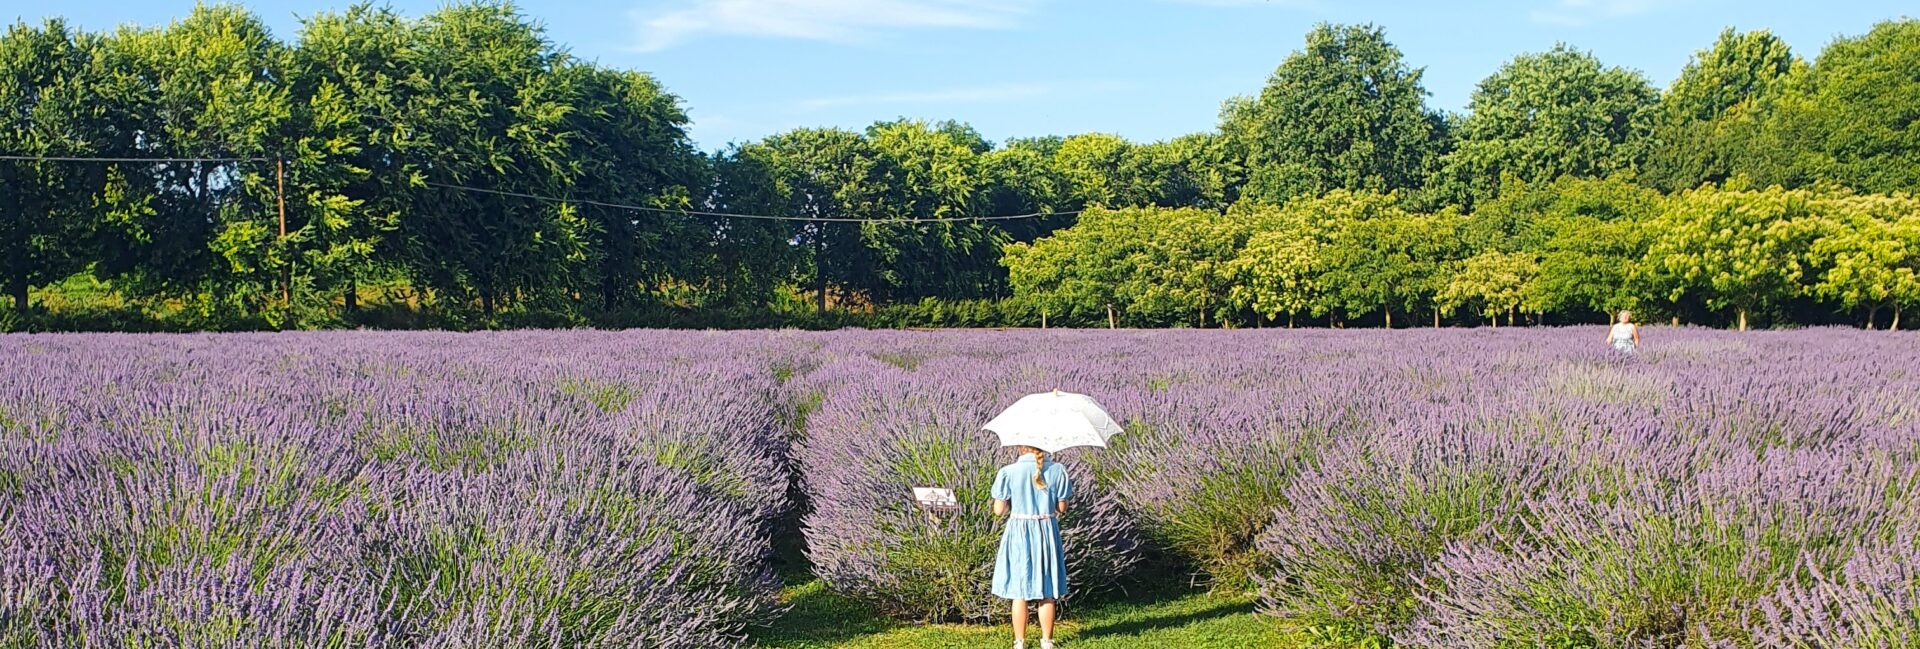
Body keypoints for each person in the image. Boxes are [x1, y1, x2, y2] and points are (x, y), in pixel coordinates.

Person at [992, 445, 1072, 649]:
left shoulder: (1008, 472)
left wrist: (1013, 501)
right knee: (1047, 590)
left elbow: (998, 510)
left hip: (1019, 531)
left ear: (1020, 446)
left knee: (1020, 590)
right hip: (1046, 531)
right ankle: (1047, 641)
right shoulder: (1057, 470)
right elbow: (1061, 508)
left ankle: (1019, 642)